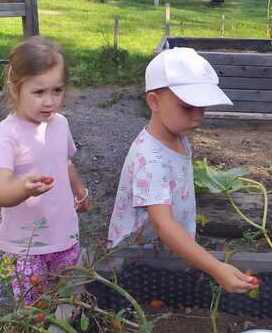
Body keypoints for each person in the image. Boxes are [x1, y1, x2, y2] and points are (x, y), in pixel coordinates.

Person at [108, 48, 256, 294]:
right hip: (134, 260)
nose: (198, 117)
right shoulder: (150, 160)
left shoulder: (176, 136)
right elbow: (163, 224)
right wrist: (216, 268)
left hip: (164, 253)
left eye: (203, 107)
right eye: (188, 107)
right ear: (154, 101)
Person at [0, 36, 92, 306]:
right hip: (26, 246)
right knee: (34, 308)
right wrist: (23, 189)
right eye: (39, 92)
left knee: (67, 299)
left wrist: (81, 192)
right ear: (15, 88)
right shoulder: (5, 135)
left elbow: (65, 162)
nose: (49, 102)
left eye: (57, 90)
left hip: (64, 235)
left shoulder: (60, 123)